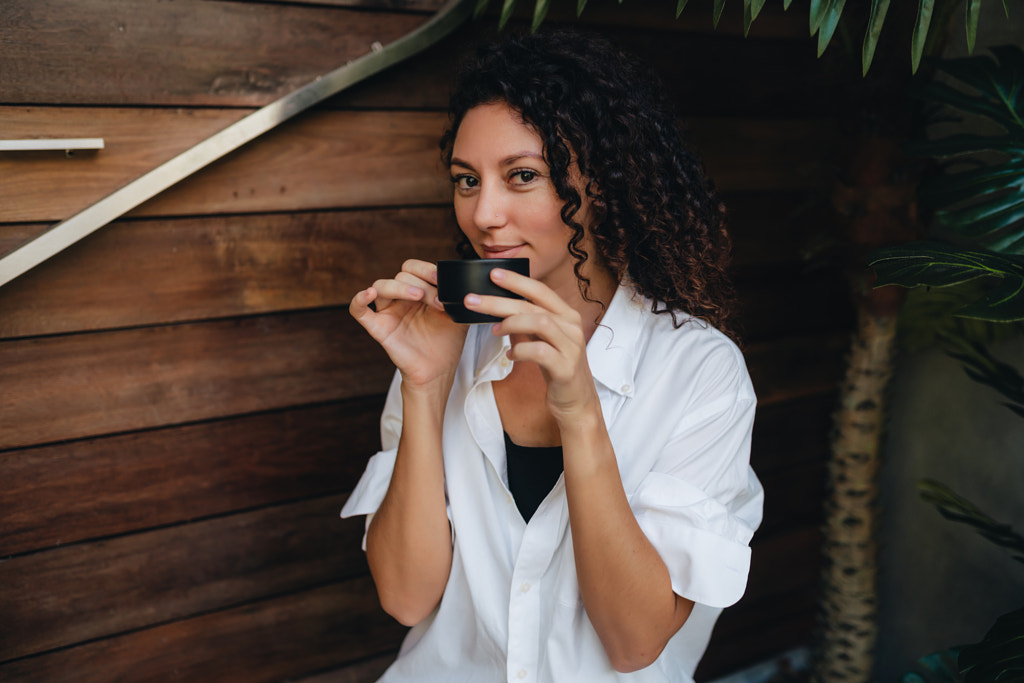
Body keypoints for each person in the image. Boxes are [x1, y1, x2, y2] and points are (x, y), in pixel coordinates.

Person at [340, 28, 763, 683]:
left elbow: (634, 642)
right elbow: (404, 596)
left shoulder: (700, 372)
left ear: (600, 181)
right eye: (466, 180)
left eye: (523, 176)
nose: (484, 214)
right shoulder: (444, 343)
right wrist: (423, 386)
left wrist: (582, 411)